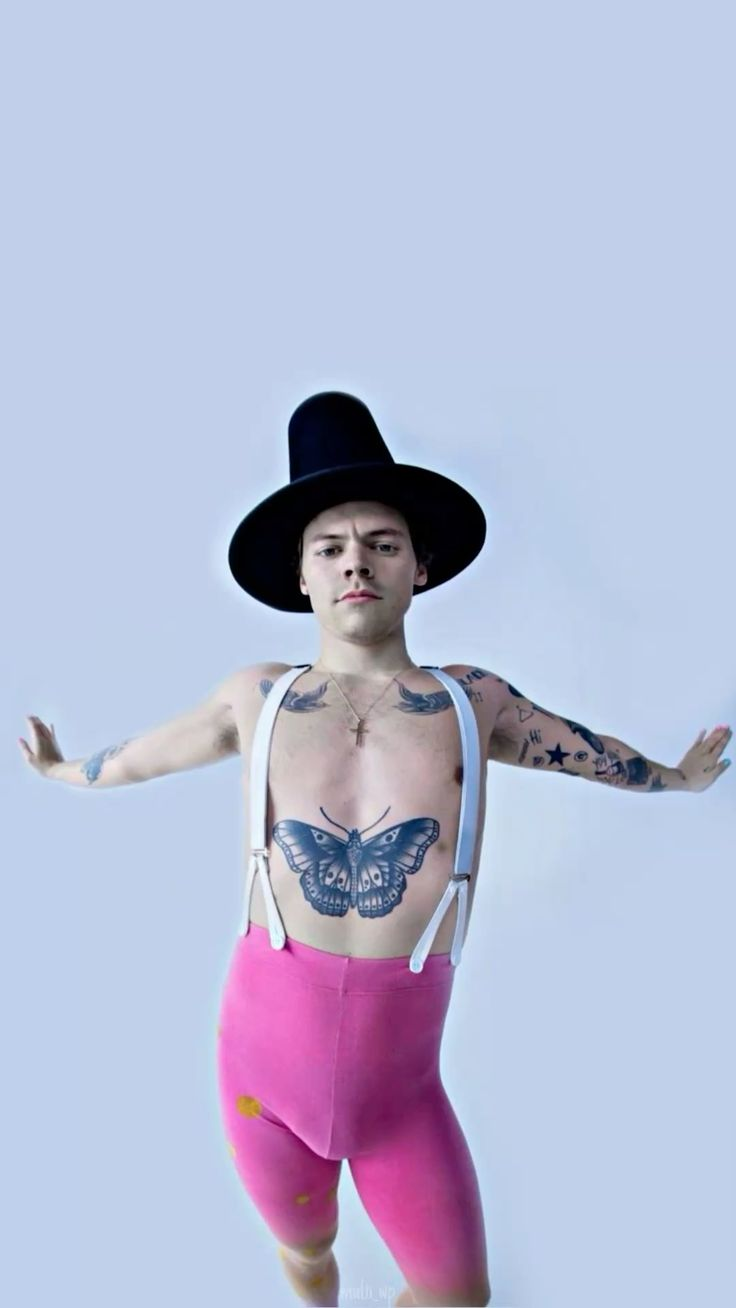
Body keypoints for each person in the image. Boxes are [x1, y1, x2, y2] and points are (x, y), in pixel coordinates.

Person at [19, 392, 732, 1308]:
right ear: (302, 576)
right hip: (262, 1075)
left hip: (401, 1092)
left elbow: (584, 750)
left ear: (420, 567)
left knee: (457, 1296)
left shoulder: (471, 701)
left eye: (382, 543)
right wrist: (62, 770)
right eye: (330, 548)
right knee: (308, 1252)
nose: (355, 560)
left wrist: (673, 777)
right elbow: (142, 757)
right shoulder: (258, 697)